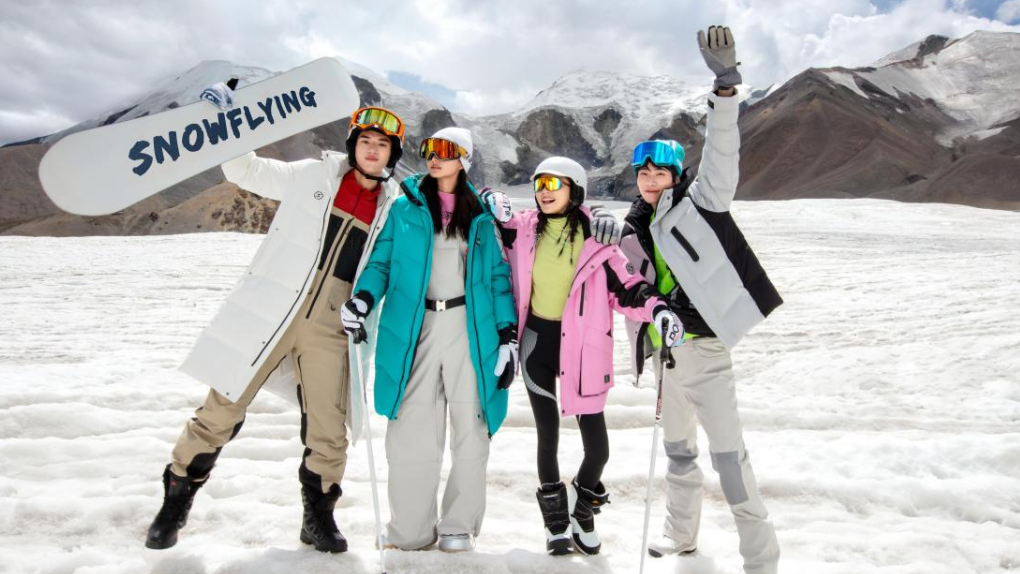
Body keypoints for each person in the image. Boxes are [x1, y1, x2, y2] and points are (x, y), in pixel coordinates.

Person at [145, 100, 408, 554]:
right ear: (352, 145)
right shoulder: (311, 176)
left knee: (329, 428)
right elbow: (243, 170)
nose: (371, 149)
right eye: (365, 140)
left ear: (392, 155)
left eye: (381, 145)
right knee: (222, 408)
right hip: (272, 311)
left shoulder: (396, 206)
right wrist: (228, 123)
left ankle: (318, 518)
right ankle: (174, 504)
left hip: (332, 324)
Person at [593, 26, 784, 574]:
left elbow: (722, 153)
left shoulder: (702, 203)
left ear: (677, 175)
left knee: (729, 458)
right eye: (643, 172)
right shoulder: (630, 226)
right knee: (678, 452)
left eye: (661, 172)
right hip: (666, 357)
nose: (650, 180)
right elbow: (623, 284)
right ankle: (681, 536)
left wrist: (725, 88)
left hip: (705, 349)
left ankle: (761, 559)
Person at [480, 158, 683, 556]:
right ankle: (555, 523)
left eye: (553, 184)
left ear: (574, 189)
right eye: (539, 184)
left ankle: (583, 507)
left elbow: (628, 287)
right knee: (548, 436)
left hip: (584, 349)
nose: (544, 191)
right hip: (537, 342)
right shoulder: (522, 228)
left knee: (598, 449)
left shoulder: (597, 237)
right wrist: (490, 195)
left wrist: (658, 309)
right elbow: (485, 208)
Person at [341, 127, 518, 553]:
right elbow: (381, 263)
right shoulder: (405, 207)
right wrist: (363, 298)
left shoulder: (481, 215)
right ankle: (410, 529)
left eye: (445, 150)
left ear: (465, 160)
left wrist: (508, 334)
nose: (433, 157)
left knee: (471, 428)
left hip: (469, 328)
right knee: (410, 430)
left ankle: (458, 526)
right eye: (429, 149)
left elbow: (498, 278)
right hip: (414, 328)